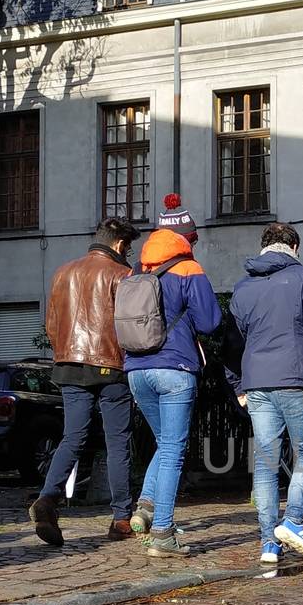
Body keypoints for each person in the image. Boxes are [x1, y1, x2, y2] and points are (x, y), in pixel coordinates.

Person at [225, 222, 303, 565]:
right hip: (296, 379)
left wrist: (237, 385)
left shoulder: (243, 287)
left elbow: (231, 342)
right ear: (294, 247)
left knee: (265, 462)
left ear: (264, 246)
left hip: (257, 383)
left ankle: (268, 544)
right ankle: (294, 521)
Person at [30, 217, 139, 547]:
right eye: (128, 248)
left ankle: (48, 499)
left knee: (72, 437)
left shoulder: (63, 272)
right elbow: (131, 327)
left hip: (69, 363)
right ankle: (121, 518)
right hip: (110, 365)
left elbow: (52, 325)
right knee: (117, 441)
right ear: (119, 245)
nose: (129, 254)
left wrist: (66, 351)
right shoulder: (123, 275)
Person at [123, 227, 221, 557]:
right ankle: (163, 532)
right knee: (173, 452)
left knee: (165, 444)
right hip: (175, 370)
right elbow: (209, 322)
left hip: (136, 369)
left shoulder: (136, 270)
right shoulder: (188, 269)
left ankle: (146, 506)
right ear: (187, 240)